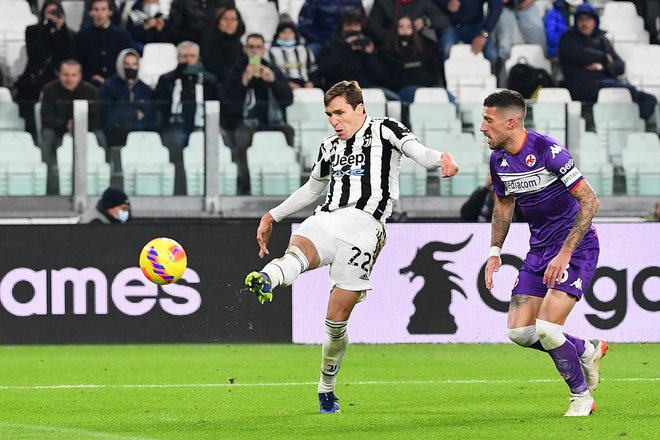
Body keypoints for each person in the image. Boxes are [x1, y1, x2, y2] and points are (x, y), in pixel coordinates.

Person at [243, 80, 459, 413]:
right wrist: (272, 214)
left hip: (365, 228)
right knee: (298, 249)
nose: (334, 120)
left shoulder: (385, 130)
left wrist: (440, 158)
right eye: (329, 114)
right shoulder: (329, 146)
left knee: (335, 323)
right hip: (328, 218)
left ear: (360, 109)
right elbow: (312, 191)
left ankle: (326, 387)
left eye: (340, 112)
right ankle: (268, 278)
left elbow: (418, 152)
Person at [481, 89, 608, 417]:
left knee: (548, 329)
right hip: (539, 251)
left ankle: (581, 396)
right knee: (519, 332)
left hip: (575, 248)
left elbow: (590, 200)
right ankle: (585, 348)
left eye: (488, 120)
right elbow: (503, 205)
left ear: (510, 123)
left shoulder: (548, 151)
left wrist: (565, 253)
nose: (482, 127)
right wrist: (495, 251)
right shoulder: (499, 160)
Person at [558, 3, 657, 122]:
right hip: (582, 85)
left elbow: (620, 65)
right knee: (627, 91)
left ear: (595, 21)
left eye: (588, 19)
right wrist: (605, 57)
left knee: (650, 99)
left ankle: (635, 124)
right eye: (581, 19)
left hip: (605, 81)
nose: (584, 23)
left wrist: (601, 67)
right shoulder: (568, 38)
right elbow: (579, 54)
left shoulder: (602, 39)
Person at [222, 33, 294, 195]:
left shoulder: (272, 69)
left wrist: (273, 82)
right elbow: (228, 103)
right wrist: (244, 81)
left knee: (289, 131)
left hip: (271, 122)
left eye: (258, 47)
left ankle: (286, 183)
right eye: (251, 47)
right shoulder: (235, 70)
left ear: (263, 50)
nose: (254, 51)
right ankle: (245, 184)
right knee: (241, 135)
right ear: (245, 49)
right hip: (244, 121)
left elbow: (288, 99)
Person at [153, 41, 222, 195]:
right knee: (176, 142)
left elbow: (220, 103)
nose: (188, 60)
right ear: (177, 59)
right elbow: (158, 104)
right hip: (176, 125)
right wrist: (177, 78)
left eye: (191, 56)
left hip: (205, 125)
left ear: (198, 59)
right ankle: (180, 190)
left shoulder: (209, 80)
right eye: (184, 56)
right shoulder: (167, 79)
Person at [14, 0, 77, 139]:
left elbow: (69, 57)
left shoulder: (69, 35)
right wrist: (46, 29)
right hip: (34, 81)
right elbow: (35, 53)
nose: (52, 16)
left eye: (56, 13)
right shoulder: (32, 31)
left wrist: (60, 31)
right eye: (49, 13)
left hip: (58, 80)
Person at [40, 59, 104, 195]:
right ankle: (52, 185)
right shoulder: (49, 90)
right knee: (46, 136)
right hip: (58, 131)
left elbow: (97, 118)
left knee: (100, 136)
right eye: (65, 75)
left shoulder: (91, 92)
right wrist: (66, 126)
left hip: (86, 131)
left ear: (80, 76)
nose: (69, 79)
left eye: (73, 75)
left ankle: (102, 181)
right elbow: (46, 118)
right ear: (59, 75)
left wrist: (79, 126)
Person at [99, 48, 156, 148]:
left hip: (141, 138)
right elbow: (110, 117)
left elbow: (151, 117)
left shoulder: (145, 89)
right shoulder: (108, 87)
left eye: (134, 64)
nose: (131, 68)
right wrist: (135, 113)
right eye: (127, 64)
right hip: (115, 138)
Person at [76, 0, 134, 87]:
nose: (100, 14)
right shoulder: (82, 36)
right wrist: (91, 77)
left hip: (118, 84)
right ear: (90, 12)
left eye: (103, 9)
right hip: (89, 85)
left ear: (110, 12)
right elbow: (78, 62)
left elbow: (128, 59)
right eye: (96, 10)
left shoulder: (122, 35)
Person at [433, 0, 503, 72]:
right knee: (444, 50)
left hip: (476, 26)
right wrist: (446, 3)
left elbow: (496, 8)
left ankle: (495, 78)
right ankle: (441, 79)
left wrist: (484, 35)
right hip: (450, 24)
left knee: (492, 54)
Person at [365, 0, 449, 49]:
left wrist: (425, 21)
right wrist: (393, 36)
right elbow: (372, 25)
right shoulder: (382, 2)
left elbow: (443, 20)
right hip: (388, 43)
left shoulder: (421, 2)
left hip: (416, 43)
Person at [297, 0, 365, 60]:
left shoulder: (356, 1)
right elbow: (304, 24)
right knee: (311, 53)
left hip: (349, 38)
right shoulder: (314, 1)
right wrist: (322, 39)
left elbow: (362, 20)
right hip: (321, 40)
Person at [200, 5, 246, 84]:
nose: (229, 23)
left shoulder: (239, 43)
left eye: (233, 19)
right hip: (215, 81)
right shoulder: (209, 39)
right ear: (218, 22)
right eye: (225, 19)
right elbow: (215, 66)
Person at [268, 21, 320, 90]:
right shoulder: (272, 51)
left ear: (295, 34)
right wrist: (287, 84)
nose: (287, 35)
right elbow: (271, 72)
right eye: (283, 32)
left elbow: (313, 70)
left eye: (290, 32)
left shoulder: (304, 49)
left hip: (305, 86)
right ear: (278, 35)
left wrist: (311, 82)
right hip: (282, 88)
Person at [168, 0, 235, 45]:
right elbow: (175, 29)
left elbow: (238, 26)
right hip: (191, 47)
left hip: (220, 45)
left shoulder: (226, 1)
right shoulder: (180, 2)